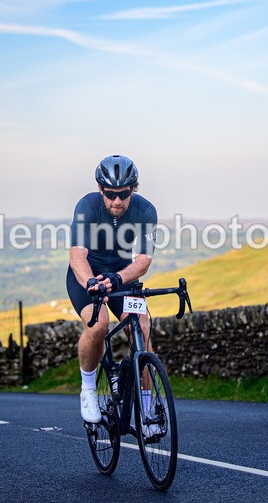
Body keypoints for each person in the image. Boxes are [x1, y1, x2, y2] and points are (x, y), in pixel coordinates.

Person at [67, 155, 157, 423]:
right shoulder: (87, 207)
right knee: (99, 324)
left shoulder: (146, 211)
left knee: (141, 326)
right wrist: (91, 282)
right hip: (87, 276)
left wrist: (118, 278)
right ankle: (88, 388)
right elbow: (77, 255)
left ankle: (147, 409)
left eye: (124, 193)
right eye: (110, 193)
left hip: (121, 275)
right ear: (100, 189)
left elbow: (143, 260)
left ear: (134, 188)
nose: (117, 200)